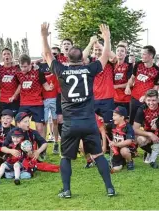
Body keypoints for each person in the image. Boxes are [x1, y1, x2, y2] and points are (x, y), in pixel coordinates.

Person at [41, 22, 115, 198]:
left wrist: (44, 36)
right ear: (83, 58)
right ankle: (109, 188)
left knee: (65, 158)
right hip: (89, 122)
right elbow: (105, 56)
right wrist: (106, 38)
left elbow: (46, 54)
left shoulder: (61, 70)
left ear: (66, 58)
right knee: (98, 154)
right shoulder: (89, 69)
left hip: (70, 123)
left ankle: (66, 190)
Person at [84, 38, 116, 123]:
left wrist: (101, 46)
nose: (98, 52)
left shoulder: (109, 62)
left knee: (108, 124)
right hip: (93, 98)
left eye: (100, 50)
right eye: (96, 50)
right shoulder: (90, 62)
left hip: (107, 98)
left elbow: (114, 57)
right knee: (93, 124)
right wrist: (91, 43)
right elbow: (82, 58)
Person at [126, 45, 159, 121]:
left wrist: (146, 97)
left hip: (147, 101)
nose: (141, 56)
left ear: (151, 55)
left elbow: (155, 89)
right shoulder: (138, 64)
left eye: (144, 54)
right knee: (132, 121)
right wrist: (128, 86)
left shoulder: (157, 70)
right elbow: (132, 78)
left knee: (146, 123)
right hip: (134, 98)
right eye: (141, 54)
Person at [132, 90, 159, 164]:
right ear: (145, 100)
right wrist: (150, 134)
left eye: (154, 100)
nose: (151, 103)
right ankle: (149, 151)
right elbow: (135, 129)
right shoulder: (142, 109)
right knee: (139, 139)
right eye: (148, 100)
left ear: (158, 100)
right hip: (149, 132)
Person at [105, 106, 136, 171]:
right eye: (113, 115)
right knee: (115, 168)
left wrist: (115, 144)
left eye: (115, 115)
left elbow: (129, 141)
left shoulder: (128, 127)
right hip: (116, 150)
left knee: (124, 151)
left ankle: (130, 161)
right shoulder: (112, 124)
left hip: (128, 148)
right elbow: (105, 129)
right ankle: (121, 162)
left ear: (122, 117)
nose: (113, 117)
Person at [0, 48, 21, 114]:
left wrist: (14, 96)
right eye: (4, 54)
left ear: (11, 56)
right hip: (3, 101)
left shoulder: (17, 68)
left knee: (18, 122)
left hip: (15, 100)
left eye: (8, 54)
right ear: (2, 57)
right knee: (3, 122)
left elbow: (21, 84)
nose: (6, 56)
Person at [113, 45, 133, 111]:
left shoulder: (129, 66)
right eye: (118, 51)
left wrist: (116, 86)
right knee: (115, 119)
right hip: (115, 98)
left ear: (125, 54)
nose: (119, 53)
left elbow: (130, 83)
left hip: (126, 98)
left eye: (122, 51)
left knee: (126, 119)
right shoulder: (112, 65)